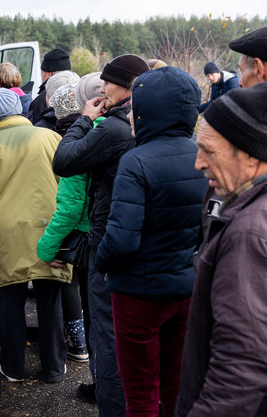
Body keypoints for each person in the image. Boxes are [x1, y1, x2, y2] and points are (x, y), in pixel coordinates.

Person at [94, 67, 208, 417]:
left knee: (141, 395)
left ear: (149, 111)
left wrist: (100, 262)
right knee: (177, 388)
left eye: (135, 106)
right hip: (185, 289)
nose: (129, 113)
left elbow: (122, 240)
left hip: (138, 295)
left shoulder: (136, 161)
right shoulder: (201, 155)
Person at [52, 54, 150, 414]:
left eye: (107, 82)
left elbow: (63, 161)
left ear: (122, 86)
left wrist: (84, 120)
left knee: (105, 332)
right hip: (140, 235)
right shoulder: (149, 120)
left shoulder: (110, 127)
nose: (102, 87)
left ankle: (109, 397)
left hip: (106, 236)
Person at [0, 89, 67, 383]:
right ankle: (53, 368)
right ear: (20, 110)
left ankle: (13, 367)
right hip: (50, 227)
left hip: (5, 233)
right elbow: (68, 185)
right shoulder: (50, 138)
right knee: (50, 301)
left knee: (11, 302)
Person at [176, 82, 267, 416]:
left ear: (250, 153)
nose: (198, 163)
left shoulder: (250, 232)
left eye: (210, 151)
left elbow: (240, 365)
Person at [36, 82, 89, 363]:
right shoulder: (98, 133)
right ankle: (82, 343)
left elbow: (69, 205)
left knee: (67, 282)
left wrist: (47, 246)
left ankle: (78, 343)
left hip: (71, 226)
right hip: (93, 225)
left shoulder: (66, 143)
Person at [26, 48, 71, 126]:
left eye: (43, 73)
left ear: (51, 73)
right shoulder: (78, 92)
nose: (42, 76)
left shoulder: (44, 97)